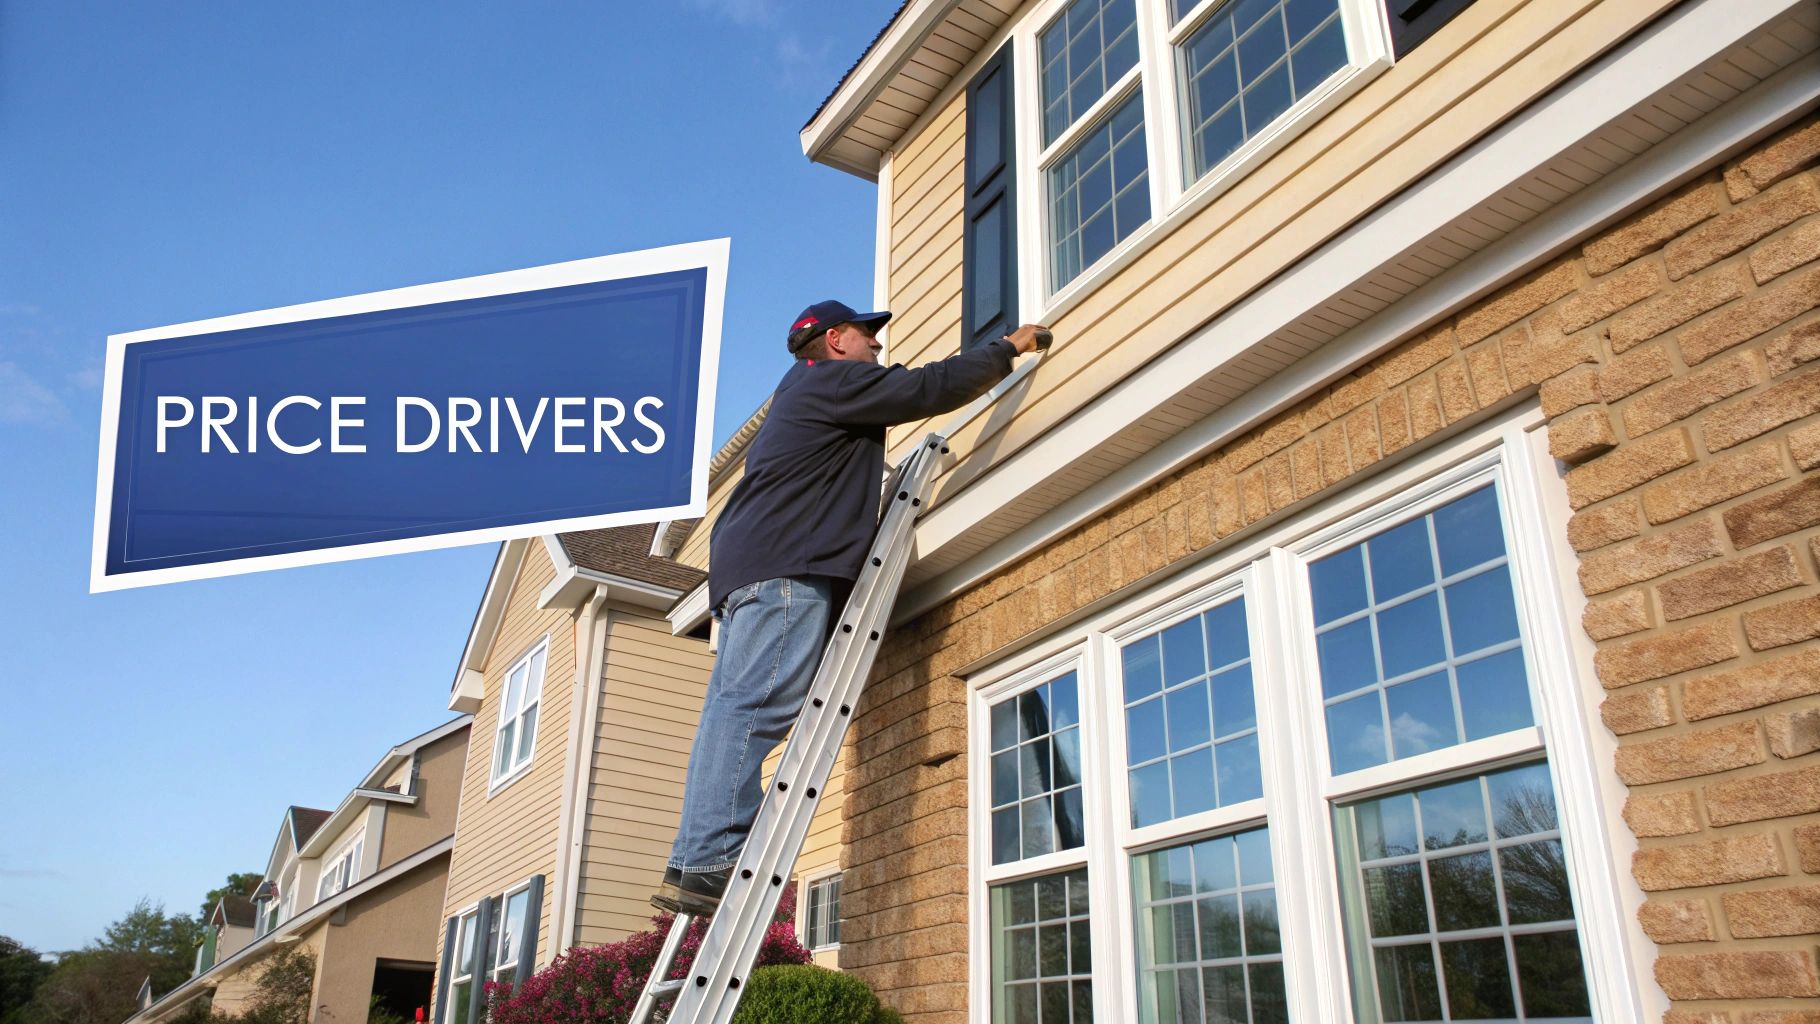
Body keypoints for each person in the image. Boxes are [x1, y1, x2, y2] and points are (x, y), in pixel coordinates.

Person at [656, 299, 1047, 915]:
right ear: (836, 340)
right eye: (869, 338)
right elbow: (929, 387)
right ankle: (711, 857)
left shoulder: (804, 393)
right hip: (787, 568)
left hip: (752, 568)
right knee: (755, 709)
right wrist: (1008, 348)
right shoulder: (834, 380)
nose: (877, 349)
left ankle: (693, 857)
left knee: (731, 709)